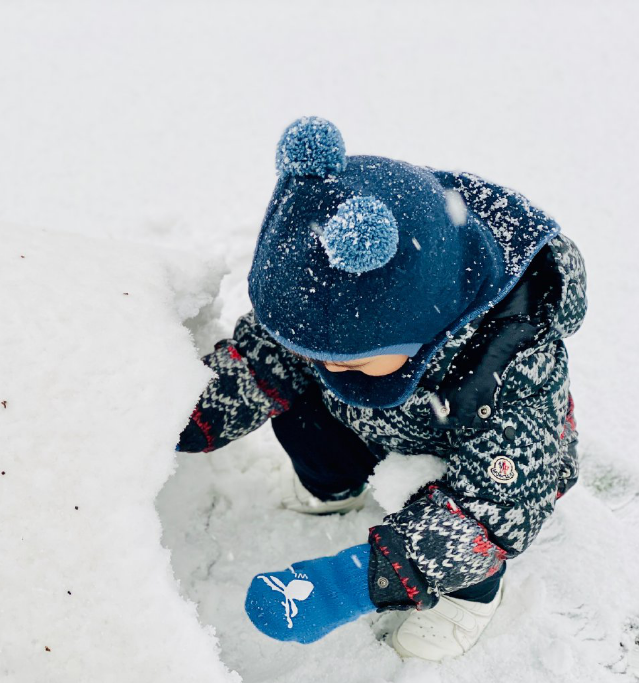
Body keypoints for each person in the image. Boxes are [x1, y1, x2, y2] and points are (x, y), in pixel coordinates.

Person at [175, 117, 586, 660]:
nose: (321, 363)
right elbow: (266, 357)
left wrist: (356, 581)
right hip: (374, 423)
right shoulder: (331, 303)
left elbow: (495, 508)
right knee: (300, 407)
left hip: (469, 462)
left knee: (465, 525)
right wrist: (178, 416)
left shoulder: (513, 369)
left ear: (423, 325)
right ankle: (336, 486)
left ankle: (471, 597)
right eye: (313, 350)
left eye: (348, 359)